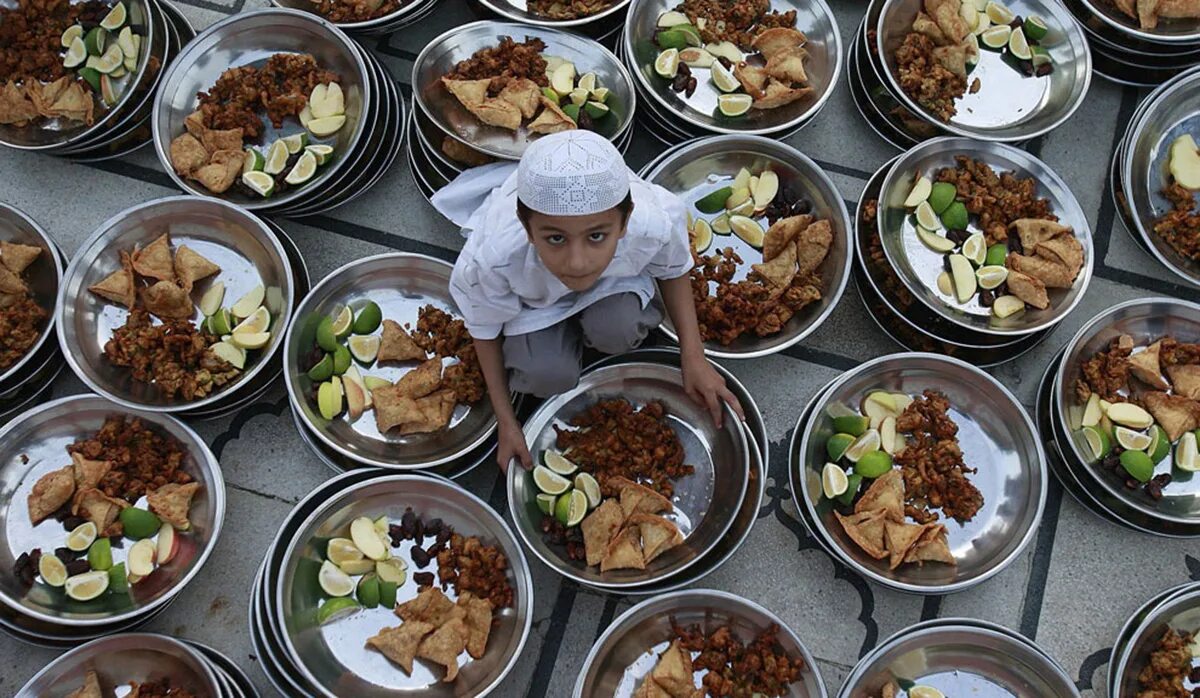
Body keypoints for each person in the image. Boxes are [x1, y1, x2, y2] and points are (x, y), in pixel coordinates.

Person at [439, 130, 743, 472]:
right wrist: (506, 422)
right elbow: (484, 328)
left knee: (618, 330)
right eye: (555, 238)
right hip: (534, 303)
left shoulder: (650, 224)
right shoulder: (495, 258)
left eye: (597, 236)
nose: (578, 262)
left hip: (613, 281)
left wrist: (694, 355)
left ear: (625, 222)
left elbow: (674, 269)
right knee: (546, 376)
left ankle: (591, 327)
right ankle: (560, 346)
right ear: (526, 228)